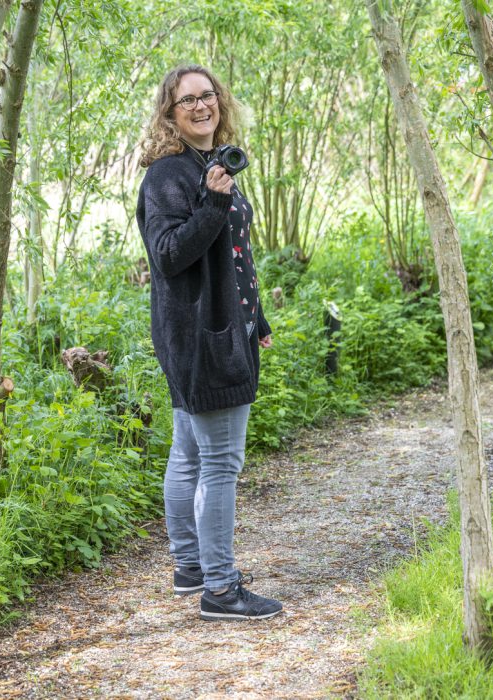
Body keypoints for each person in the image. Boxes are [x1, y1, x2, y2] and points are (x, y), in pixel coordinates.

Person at [136, 64, 283, 621]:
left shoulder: (210, 165)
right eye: (187, 101)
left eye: (208, 96)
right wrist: (213, 203)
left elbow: (233, 259)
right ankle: (221, 589)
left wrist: (259, 318)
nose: (202, 106)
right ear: (169, 115)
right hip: (200, 338)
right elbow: (169, 255)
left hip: (215, 329)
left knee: (190, 450)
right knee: (220, 461)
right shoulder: (167, 177)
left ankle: (191, 566)